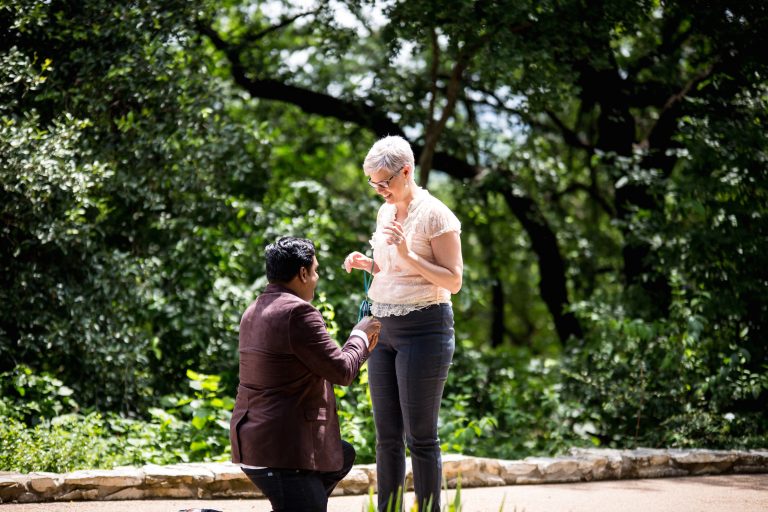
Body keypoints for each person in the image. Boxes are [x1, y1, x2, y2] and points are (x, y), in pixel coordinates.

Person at [343, 135, 463, 512]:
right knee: (386, 438)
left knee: (421, 437)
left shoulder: (436, 215)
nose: (378, 190)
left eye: (383, 182)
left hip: (425, 329)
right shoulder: (385, 212)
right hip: (382, 328)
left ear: (406, 171)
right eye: (372, 183)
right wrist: (368, 264)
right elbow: (392, 267)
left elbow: (453, 281)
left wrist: (408, 253)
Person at [230, 236, 381, 512]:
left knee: (340, 454)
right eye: (315, 270)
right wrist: (361, 334)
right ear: (302, 273)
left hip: (253, 442)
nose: (316, 277)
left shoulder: (253, 310)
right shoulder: (298, 312)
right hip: (282, 451)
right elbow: (342, 371)